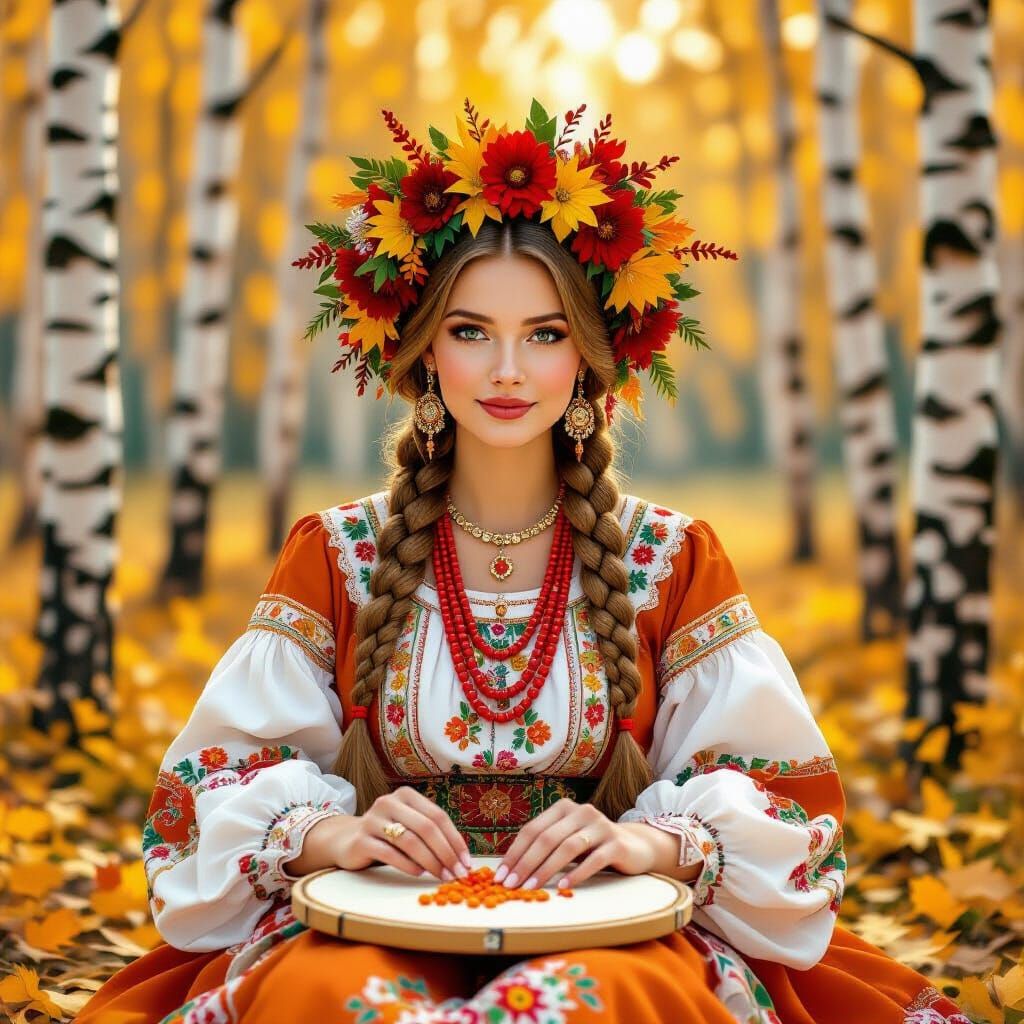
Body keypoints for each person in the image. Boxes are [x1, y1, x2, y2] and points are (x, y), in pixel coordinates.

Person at [77, 101, 969, 1023]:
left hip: (610, 926)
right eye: (470, 332)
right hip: (376, 919)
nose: (507, 369)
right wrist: (325, 834)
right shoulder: (336, 555)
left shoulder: (670, 559)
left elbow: (784, 805)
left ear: (589, 358)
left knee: (583, 1002)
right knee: (326, 998)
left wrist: (656, 845)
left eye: (543, 334)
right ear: (422, 349)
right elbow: (206, 795)